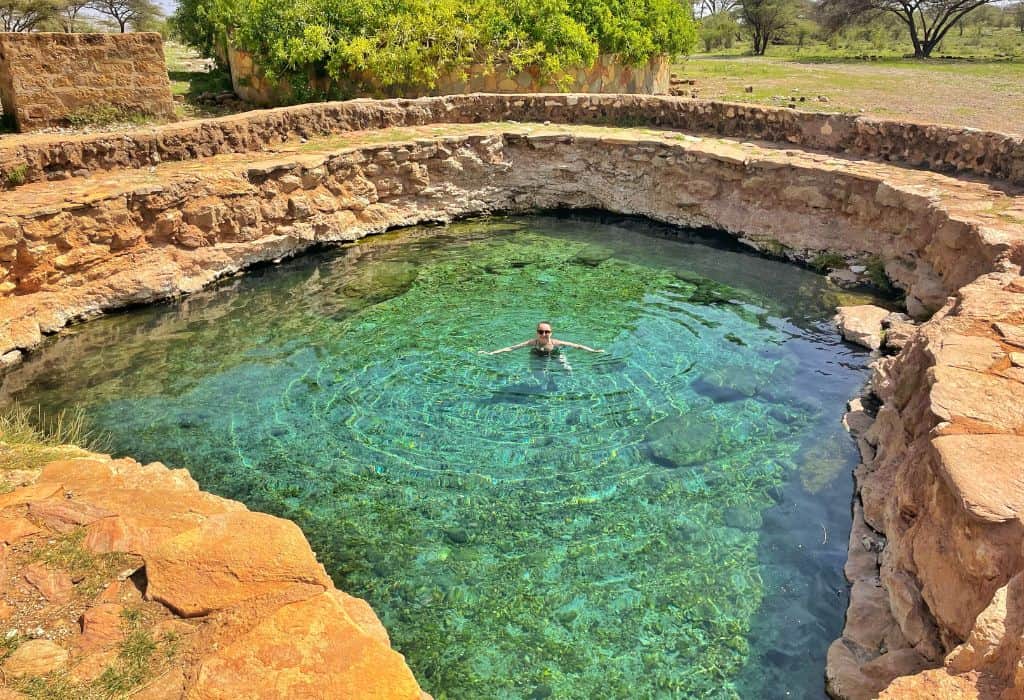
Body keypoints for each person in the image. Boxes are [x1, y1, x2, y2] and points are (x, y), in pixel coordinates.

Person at [479, 322, 604, 355]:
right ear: (537, 332)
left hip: (554, 353)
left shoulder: (556, 342)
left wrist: (593, 351)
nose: (544, 334)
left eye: (547, 331)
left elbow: (577, 346)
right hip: (537, 355)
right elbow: (512, 348)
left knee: (567, 370)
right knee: (539, 375)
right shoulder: (532, 342)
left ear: (551, 332)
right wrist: (491, 353)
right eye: (541, 331)